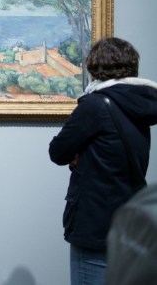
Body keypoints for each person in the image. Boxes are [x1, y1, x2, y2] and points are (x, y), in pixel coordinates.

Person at [49, 37, 157, 285]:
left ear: (94, 67)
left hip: (95, 221)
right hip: (129, 220)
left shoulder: (95, 105)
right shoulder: (140, 102)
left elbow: (57, 151)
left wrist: (78, 156)